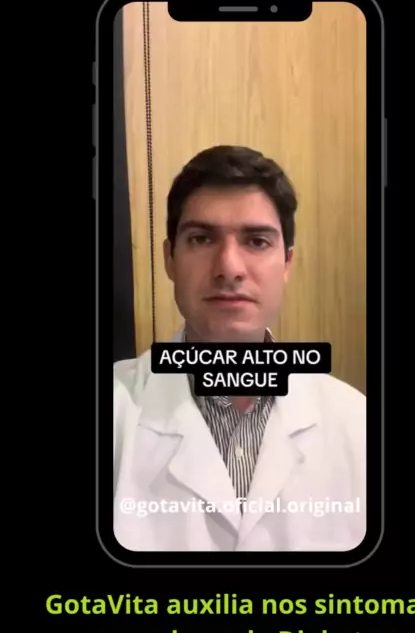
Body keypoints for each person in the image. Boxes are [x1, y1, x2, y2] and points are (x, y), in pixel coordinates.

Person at [114, 145, 366, 552]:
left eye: (257, 241)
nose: (229, 267)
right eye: (201, 238)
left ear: (287, 264)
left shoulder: (359, 425)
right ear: (170, 259)